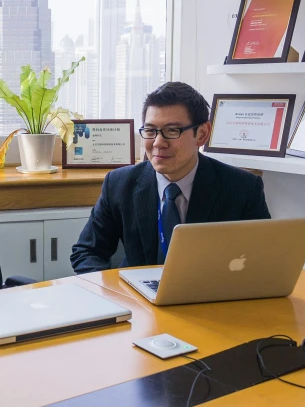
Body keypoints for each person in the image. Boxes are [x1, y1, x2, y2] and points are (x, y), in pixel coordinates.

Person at [71, 82, 271, 273]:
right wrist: (117, 294)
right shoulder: (119, 183)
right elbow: (87, 252)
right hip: (137, 298)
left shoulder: (243, 187)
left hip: (208, 298)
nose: (158, 143)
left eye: (171, 131)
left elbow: (262, 258)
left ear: (202, 134)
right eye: (150, 131)